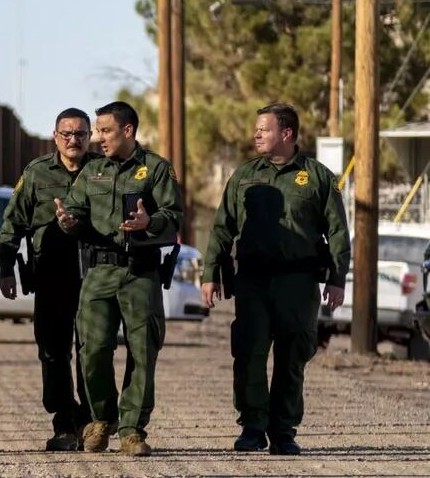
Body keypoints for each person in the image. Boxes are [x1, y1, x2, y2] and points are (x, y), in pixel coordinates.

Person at [201, 103, 349, 456]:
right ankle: (252, 427)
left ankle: (283, 431)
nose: (256, 134)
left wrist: (337, 278)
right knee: (248, 353)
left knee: (292, 358)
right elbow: (222, 228)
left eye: (264, 129)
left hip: (298, 282)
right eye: (256, 128)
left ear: (286, 133)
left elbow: (337, 231)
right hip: (252, 281)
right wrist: (210, 273)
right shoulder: (244, 176)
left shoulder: (317, 177)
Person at [54, 100, 183, 457]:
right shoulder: (92, 171)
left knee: (142, 352)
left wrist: (149, 222)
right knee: (92, 350)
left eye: (106, 131)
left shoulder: (156, 169)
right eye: (98, 131)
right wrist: (68, 221)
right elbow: (76, 211)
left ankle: (132, 430)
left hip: (140, 272)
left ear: (128, 130)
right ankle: (102, 419)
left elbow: (174, 216)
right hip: (99, 273)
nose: (99, 138)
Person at [0, 108, 98, 451]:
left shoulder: (102, 171)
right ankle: (64, 423)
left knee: (92, 350)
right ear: (55, 137)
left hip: (96, 277)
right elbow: (12, 223)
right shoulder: (37, 172)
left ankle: (91, 422)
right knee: (53, 351)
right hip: (52, 275)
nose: (73, 140)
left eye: (80, 134)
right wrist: (6, 268)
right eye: (66, 134)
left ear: (90, 136)